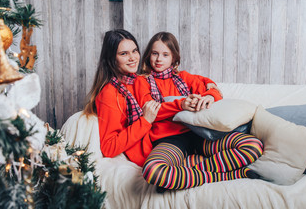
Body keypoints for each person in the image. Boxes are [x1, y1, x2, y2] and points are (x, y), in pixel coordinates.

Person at [133, 32, 264, 191]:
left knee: (253, 145)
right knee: (153, 171)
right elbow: (151, 111)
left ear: (174, 58)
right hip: (170, 140)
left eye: (165, 54)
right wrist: (181, 104)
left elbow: (211, 87)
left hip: (200, 135)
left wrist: (210, 95)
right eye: (155, 53)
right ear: (148, 55)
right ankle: (229, 175)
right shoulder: (142, 81)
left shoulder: (183, 77)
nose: (159, 59)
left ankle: (181, 176)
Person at [83, 29, 162, 167]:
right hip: (149, 155)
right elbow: (109, 147)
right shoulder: (109, 93)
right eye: (124, 54)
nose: (132, 58)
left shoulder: (139, 80)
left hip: (162, 141)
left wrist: (209, 88)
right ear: (111, 59)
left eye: (134, 51)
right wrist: (145, 121)